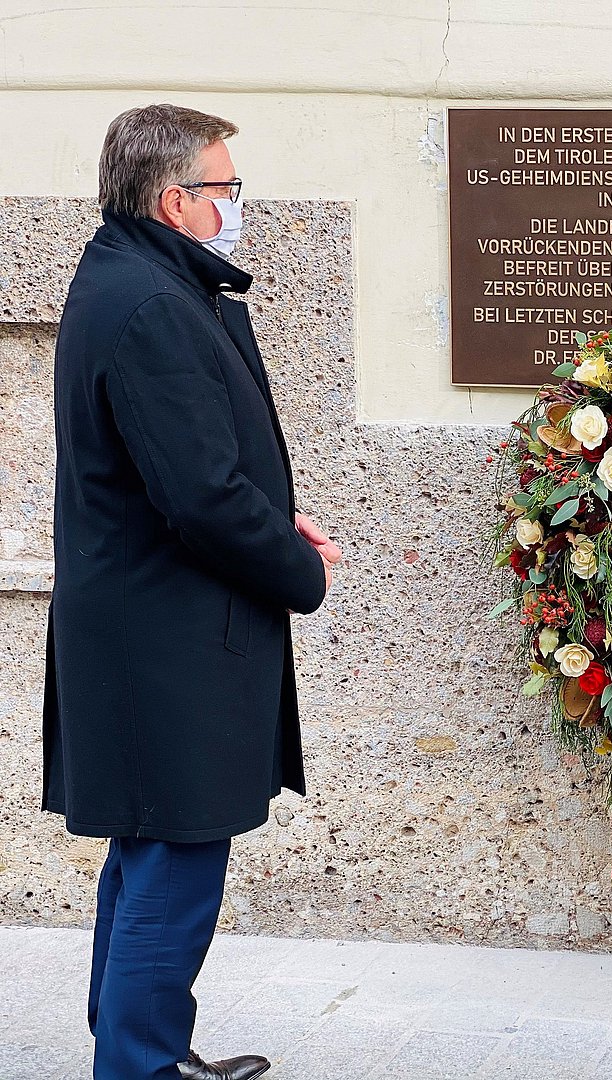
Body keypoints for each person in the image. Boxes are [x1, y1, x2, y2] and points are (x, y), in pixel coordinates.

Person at [43, 104, 343, 1080]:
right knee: (174, 865)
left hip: (149, 627)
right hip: (163, 641)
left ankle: (140, 1051)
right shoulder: (152, 305)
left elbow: (182, 467)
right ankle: (139, 1066)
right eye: (226, 188)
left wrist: (276, 517)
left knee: (149, 856)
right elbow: (202, 497)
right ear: (176, 201)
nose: (236, 206)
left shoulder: (134, 278)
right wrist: (297, 570)